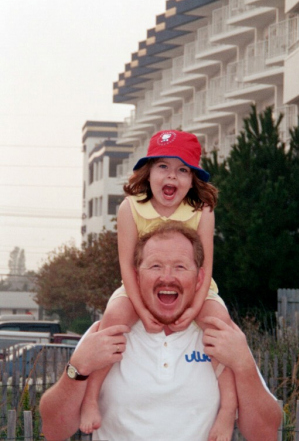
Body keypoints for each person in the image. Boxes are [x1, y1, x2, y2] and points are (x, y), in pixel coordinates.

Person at [40, 221, 282, 441]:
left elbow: (266, 434)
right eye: (155, 266)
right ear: (135, 276)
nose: (167, 278)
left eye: (180, 267)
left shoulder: (222, 336)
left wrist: (245, 365)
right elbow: (53, 430)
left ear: (199, 279)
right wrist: (77, 368)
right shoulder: (107, 333)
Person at [80, 130, 236, 440]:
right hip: (139, 285)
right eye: (163, 166)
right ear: (147, 172)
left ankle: (228, 408)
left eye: (183, 170)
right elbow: (126, 264)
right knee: (112, 320)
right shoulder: (131, 208)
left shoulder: (202, 211)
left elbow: (204, 266)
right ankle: (90, 397)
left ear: (193, 180)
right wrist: (139, 307)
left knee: (222, 328)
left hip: (197, 287)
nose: (172, 176)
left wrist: (194, 309)